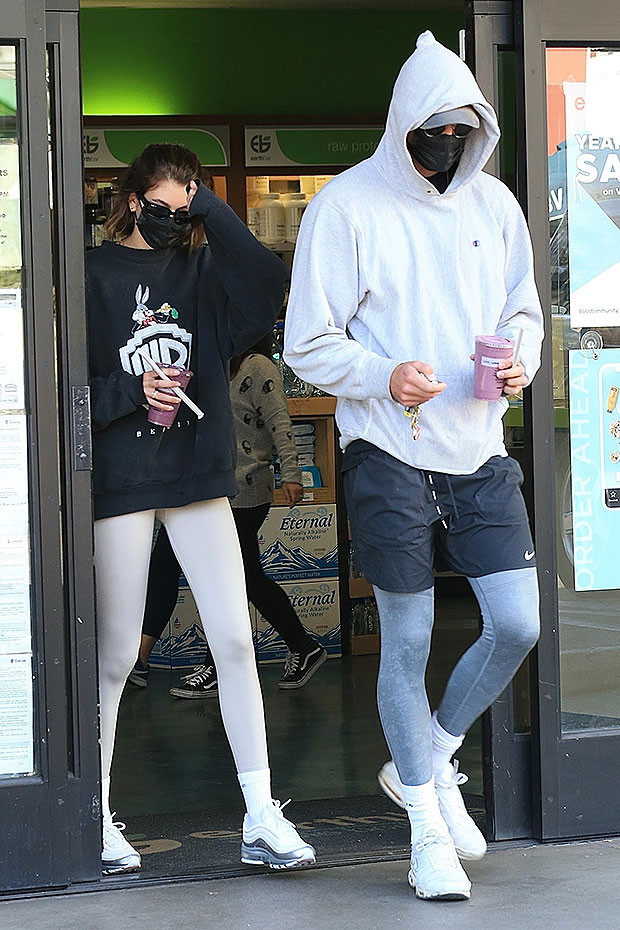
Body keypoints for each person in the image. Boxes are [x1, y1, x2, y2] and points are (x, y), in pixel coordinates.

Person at [283, 32, 544, 901]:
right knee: (410, 636)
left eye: (464, 128)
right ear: (403, 125)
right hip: (388, 447)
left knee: (517, 622)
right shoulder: (345, 207)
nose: (448, 142)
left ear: (481, 131)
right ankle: (425, 827)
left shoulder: (497, 206)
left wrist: (522, 361)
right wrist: (380, 373)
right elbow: (305, 343)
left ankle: (427, 759)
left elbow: (523, 311)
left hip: (478, 445)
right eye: (434, 127)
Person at [88, 142, 315, 875]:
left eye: (185, 208)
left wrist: (208, 207)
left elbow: (269, 280)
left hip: (197, 474)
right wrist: (132, 393)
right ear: (132, 200)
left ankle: (260, 814)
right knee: (119, 654)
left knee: (237, 642)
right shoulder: (91, 274)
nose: (172, 221)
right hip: (123, 476)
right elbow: (69, 393)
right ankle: (94, 816)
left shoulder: (204, 266)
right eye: (163, 207)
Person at [128, 335, 327, 695]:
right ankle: (139, 660)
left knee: (229, 576)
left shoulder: (257, 365)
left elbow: (281, 422)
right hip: (200, 488)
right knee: (183, 567)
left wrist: (293, 474)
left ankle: (216, 664)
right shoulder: (207, 360)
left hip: (244, 490)